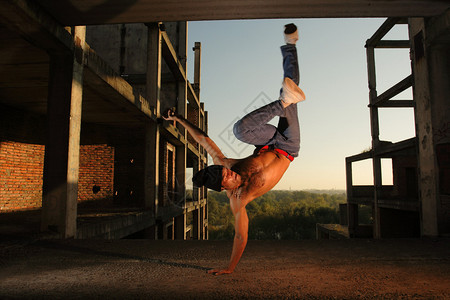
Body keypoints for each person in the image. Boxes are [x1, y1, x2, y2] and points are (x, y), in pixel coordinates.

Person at [163, 23, 305, 275]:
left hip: (268, 141)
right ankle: (291, 49)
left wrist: (179, 120)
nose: (231, 174)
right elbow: (240, 236)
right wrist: (229, 268)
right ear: (222, 189)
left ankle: (284, 95)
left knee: (239, 130)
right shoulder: (238, 201)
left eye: (226, 172)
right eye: (228, 178)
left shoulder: (226, 164)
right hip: (288, 146)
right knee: (292, 84)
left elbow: (204, 140)